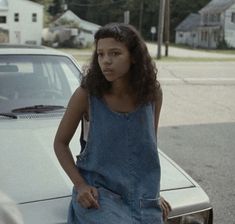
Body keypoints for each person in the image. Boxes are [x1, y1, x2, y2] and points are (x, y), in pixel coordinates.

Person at [54, 23, 171, 224]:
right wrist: (80, 185)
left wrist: (153, 194)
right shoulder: (86, 96)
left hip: (143, 198)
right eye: (100, 54)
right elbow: (60, 143)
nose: (106, 61)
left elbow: (148, 150)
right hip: (100, 197)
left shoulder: (152, 95)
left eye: (115, 53)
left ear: (133, 57)